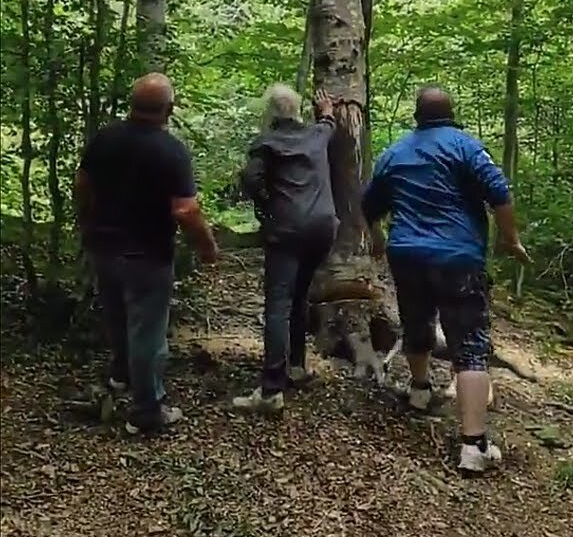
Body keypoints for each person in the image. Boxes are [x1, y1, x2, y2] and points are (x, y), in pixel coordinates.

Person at [361, 86, 532, 473]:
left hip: (407, 255)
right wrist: (511, 240)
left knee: (416, 322)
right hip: (458, 257)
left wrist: (377, 237)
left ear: (416, 117)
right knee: (470, 344)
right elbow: (500, 193)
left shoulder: (395, 153)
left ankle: (420, 390)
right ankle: (473, 446)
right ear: (451, 113)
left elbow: (369, 204)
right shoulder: (466, 147)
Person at [74, 72, 219, 435]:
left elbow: (82, 184)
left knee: (118, 319)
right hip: (147, 254)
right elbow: (186, 210)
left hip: (104, 247)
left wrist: (87, 222)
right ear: (169, 109)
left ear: (132, 104)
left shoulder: (106, 138)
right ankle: (147, 410)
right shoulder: (170, 150)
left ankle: (121, 379)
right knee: (147, 332)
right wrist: (207, 247)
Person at [232, 85, 339, 413]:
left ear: (270, 113)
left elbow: (250, 178)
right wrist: (328, 111)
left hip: (288, 229)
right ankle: (296, 366)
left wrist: (267, 200)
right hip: (323, 227)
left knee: (279, 302)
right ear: (297, 111)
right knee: (299, 296)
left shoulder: (266, 143)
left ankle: (271, 390)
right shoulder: (317, 135)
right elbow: (329, 125)